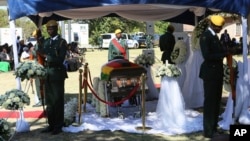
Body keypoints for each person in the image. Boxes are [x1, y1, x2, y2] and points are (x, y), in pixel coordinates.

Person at [199, 15, 227, 139]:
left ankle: (214, 127)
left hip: (217, 73)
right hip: (210, 73)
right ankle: (208, 131)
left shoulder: (214, 35)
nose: (220, 29)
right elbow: (207, 55)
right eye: (219, 27)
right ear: (213, 25)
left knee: (216, 102)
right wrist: (222, 55)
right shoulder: (206, 36)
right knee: (210, 103)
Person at [39, 20, 68, 135]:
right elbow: (41, 52)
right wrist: (39, 42)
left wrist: (47, 57)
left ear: (56, 29)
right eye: (48, 29)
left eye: (52, 29)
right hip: (47, 74)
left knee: (57, 101)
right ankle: (51, 125)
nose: (49, 31)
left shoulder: (62, 42)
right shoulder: (46, 42)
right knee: (49, 102)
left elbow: (60, 59)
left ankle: (58, 125)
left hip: (57, 74)